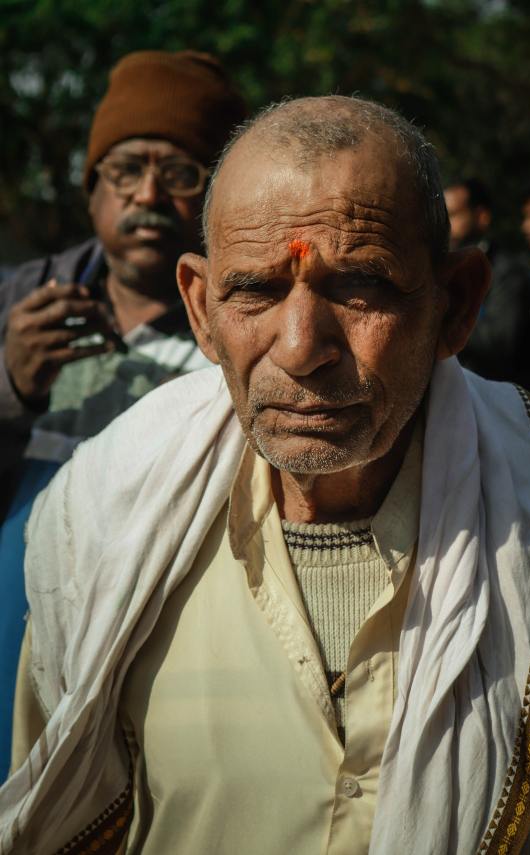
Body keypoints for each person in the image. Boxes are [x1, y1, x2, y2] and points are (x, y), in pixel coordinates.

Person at [2, 97, 530, 855]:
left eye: (360, 287)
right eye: (254, 289)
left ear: (457, 304)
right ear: (200, 308)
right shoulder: (99, 518)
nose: (300, 346)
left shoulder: (528, 499)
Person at [0, 49, 245, 782]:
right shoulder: (17, 303)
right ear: (90, 187)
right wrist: (10, 382)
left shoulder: (238, 326)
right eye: (125, 170)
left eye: (180, 175)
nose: (147, 195)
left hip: (157, 660)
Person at [444, 177, 530, 388]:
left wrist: (442, 317)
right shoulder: (441, 269)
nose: (446, 225)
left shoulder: (506, 271)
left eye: (454, 215)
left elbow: (499, 340)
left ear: (482, 216)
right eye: (442, 216)